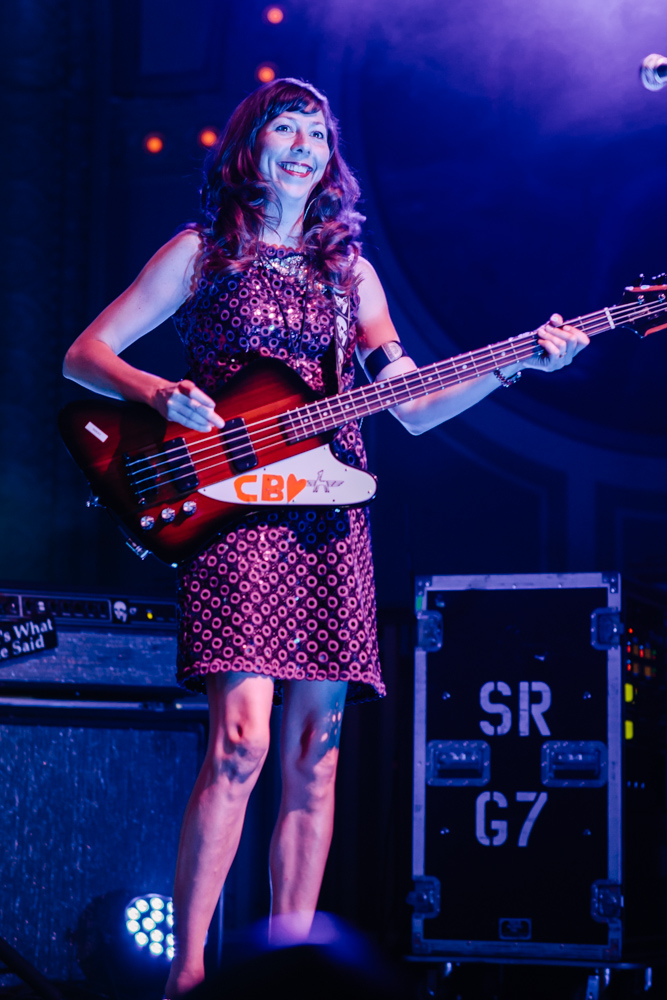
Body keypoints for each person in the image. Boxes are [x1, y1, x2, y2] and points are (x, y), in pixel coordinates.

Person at [63, 78, 588, 998]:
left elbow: (417, 407)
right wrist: (160, 394)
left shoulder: (352, 276)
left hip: (329, 517)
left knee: (315, 755)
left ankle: (287, 978)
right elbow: (86, 355)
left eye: (316, 131)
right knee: (240, 742)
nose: (303, 144)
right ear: (247, 150)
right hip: (235, 514)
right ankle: (187, 975)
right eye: (284, 128)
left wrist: (514, 365)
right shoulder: (201, 254)